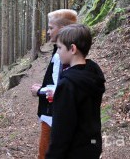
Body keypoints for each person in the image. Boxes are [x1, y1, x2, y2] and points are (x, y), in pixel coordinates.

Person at [45, 24, 106, 159]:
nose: (58, 52)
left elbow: (61, 132)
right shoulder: (92, 74)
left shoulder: (68, 84)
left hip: (73, 152)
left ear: (72, 49)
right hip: (92, 146)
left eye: (60, 48)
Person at [30, 9, 77, 159]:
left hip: (53, 116)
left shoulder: (62, 56)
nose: (48, 32)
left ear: (62, 30)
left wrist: (39, 91)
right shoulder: (63, 50)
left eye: (51, 28)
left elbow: (61, 88)